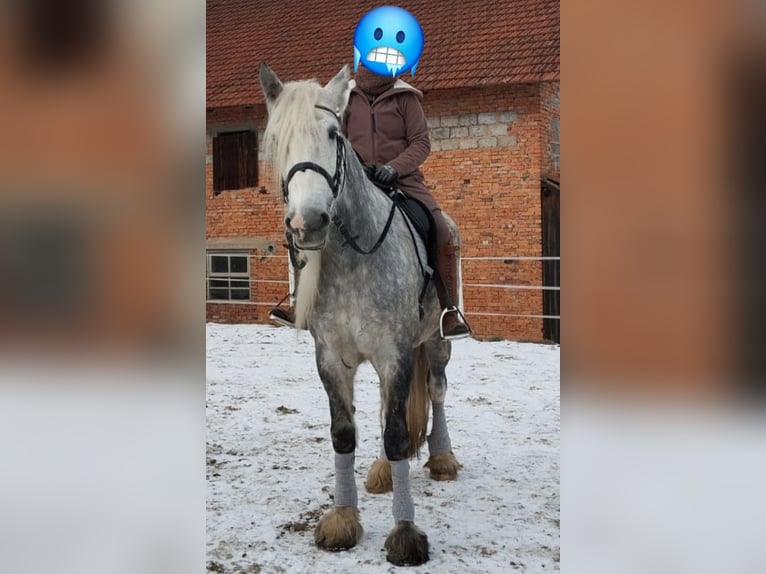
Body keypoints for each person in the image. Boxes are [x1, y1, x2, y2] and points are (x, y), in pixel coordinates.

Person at [270, 66, 471, 339]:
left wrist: (395, 168)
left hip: (404, 181)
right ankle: (300, 303)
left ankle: (449, 310)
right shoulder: (347, 99)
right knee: (307, 223)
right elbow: (334, 139)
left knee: (441, 228)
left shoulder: (406, 98)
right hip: (357, 181)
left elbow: (421, 143)